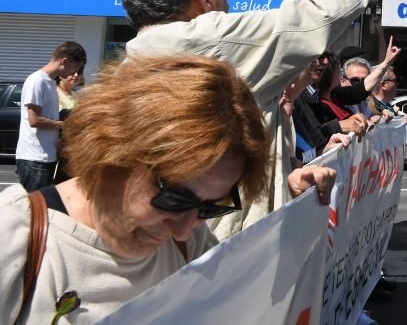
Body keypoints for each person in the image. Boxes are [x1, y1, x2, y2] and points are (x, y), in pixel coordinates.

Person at [0, 55, 336, 324]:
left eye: (211, 207)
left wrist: (297, 209)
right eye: (174, 199)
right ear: (113, 149)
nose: (186, 226)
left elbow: (254, 300)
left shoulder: (189, 245)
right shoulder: (16, 238)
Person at [121, 0, 394, 239]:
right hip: (228, 249)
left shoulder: (131, 64)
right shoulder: (207, 42)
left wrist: (283, 180)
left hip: (175, 245)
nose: (228, 3)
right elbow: (314, 18)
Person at [15, 42, 87, 192]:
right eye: (75, 67)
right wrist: (63, 124)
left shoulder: (49, 82)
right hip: (34, 158)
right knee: (34, 207)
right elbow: (34, 120)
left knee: (43, 205)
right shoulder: (37, 80)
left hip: (46, 155)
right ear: (64, 61)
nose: (74, 72)